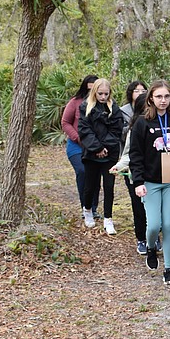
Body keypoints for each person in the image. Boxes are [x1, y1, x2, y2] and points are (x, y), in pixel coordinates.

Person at [129, 80, 170, 284]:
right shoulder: (142, 122)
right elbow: (135, 154)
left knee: (169, 225)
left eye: (167, 97)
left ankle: (169, 269)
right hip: (151, 180)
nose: (163, 101)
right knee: (154, 225)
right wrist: (138, 182)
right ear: (151, 98)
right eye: (159, 96)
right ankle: (151, 247)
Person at [78, 78, 124, 235]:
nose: (103, 97)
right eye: (100, 93)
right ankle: (88, 210)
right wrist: (97, 147)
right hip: (91, 153)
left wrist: (105, 148)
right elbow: (84, 129)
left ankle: (108, 218)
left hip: (109, 153)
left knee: (109, 186)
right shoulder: (85, 107)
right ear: (94, 92)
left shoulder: (114, 109)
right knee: (90, 184)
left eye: (106, 93)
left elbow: (117, 130)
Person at [110, 93, 148, 254]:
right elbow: (128, 154)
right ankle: (141, 239)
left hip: (158, 177)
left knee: (154, 211)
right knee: (139, 208)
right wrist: (118, 166)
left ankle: (154, 238)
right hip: (137, 176)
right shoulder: (134, 130)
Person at [61, 75, 100, 219]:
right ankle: (85, 206)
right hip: (76, 146)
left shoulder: (102, 104)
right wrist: (77, 137)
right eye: (88, 89)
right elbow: (65, 122)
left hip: (95, 146)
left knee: (95, 176)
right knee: (83, 171)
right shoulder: (75, 102)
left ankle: (93, 208)